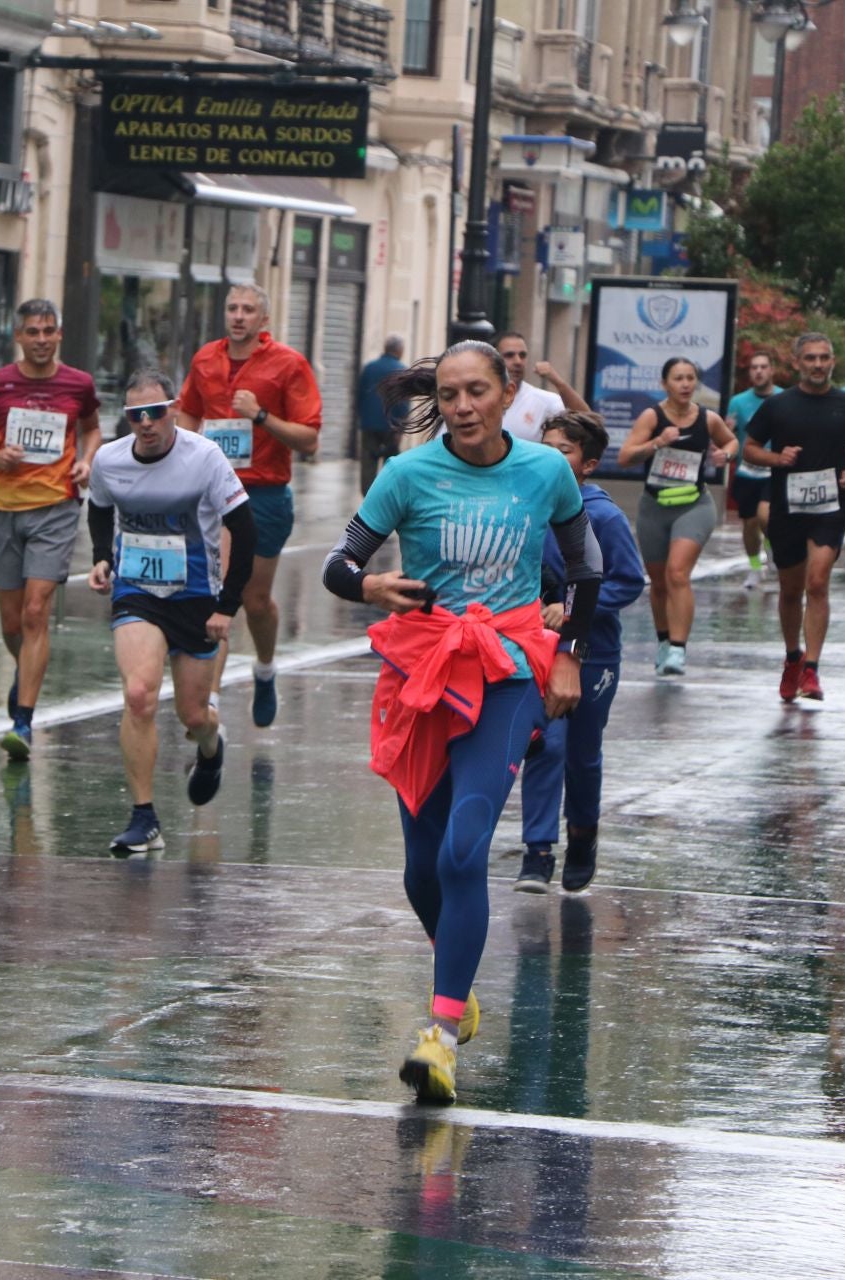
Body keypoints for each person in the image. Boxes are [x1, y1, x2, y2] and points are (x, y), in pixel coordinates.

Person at [322, 340, 601, 1105]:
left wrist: (568, 653)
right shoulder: (408, 474)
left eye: (477, 391)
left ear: (509, 391)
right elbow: (338, 564)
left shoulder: (546, 470)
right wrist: (373, 587)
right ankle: (459, 979)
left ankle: (440, 1037)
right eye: (449, 395)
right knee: (421, 869)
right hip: (422, 673)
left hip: (508, 670)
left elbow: (586, 567)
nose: (464, 407)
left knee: (464, 848)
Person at [85, 369, 256, 855]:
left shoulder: (204, 458)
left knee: (193, 714)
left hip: (196, 597)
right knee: (138, 694)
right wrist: (101, 556)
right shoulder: (109, 460)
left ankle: (210, 746)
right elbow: (99, 507)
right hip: (137, 591)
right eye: (135, 415)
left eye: (155, 412)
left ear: (174, 410)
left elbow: (245, 532)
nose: (145, 423)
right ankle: (144, 818)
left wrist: (228, 606)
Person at [0, 300, 102, 760]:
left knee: (38, 611)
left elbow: (93, 429)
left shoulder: (79, 384)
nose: (41, 339)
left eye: (49, 331)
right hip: (4, 508)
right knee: (14, 621)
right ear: (18, 336)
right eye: (32, 331)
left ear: (59, 335)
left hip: (56, 508)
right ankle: (26, 673)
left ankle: (23, 721)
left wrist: (86, 460)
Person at [177, 283, 321, 729]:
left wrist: (260, 416)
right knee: (221, 596)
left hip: (264, 493)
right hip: (212, 491)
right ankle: (211, 703)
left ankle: (264, 669)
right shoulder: (205, 359)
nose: (238, 316)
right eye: (232, 308)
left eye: (248, 310)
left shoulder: (288, 365)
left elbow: (310, 440)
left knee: (255, 599)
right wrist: (185, 448)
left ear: (264, 319)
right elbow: (186, 412)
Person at [515, 412, 646, 894]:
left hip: (595, 652)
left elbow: (628, 581)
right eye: (544, 445)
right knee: (544, 743)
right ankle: (537, 852)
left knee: (582, 754)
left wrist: (571, 612)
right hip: (538, 647)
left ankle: (582, 834)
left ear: (588, 464)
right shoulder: (526, 504)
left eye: (563, 450)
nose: (551, 456)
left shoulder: (603, 515)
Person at [741, 331, 845, 702]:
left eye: (824, 357)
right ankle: (793, 657)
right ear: (796, 363)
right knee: (791, 589)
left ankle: (813, 671)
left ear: (832, 360)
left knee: (817, 582)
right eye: (810, 358)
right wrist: (777, 459)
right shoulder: (778, 406)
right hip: (787, 506)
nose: (818, 364)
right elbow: (749, 450)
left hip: (831, 506)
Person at [615, 357, 737, 677]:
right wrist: (657, 442)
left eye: (690, 378)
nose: (685, 384)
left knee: (678, 573)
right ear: (664, 384)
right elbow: (625, 457)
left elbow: (731, 441)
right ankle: (665, 642)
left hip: (694, 505)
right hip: (654, 507)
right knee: (658, 582)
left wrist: (727, 454)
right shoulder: (651, 416)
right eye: (678, 378)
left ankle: (679, 650)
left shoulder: (707, 419)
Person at [727, 351, 780, 590]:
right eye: (753, 367)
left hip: (775, 471)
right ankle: (755, 568)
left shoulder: (783, 398)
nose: (758, 371)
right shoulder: (738, 402)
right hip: (747, 472)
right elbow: (728, 435)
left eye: (763, 366)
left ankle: (771, 550)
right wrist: (724, 446)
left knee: (766, 517)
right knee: (750, 524)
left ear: (771, 370)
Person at [493, 333, 568, 441]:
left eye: (522, 355)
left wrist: (559, 383)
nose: (518, 361)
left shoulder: (546, 402)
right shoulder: (478, 399)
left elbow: (587, 423)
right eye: (509, 355)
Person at [356, 335, 406, 495]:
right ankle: (385, 496)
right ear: (400, 351)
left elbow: (359, 395)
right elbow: (403, 403)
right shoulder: (402, 370)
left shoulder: (369, 367)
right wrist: (401, 427)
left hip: (369, 423)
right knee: (391, 464)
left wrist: (361, 417)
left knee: (368, 462)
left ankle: (368, 495)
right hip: (391, 425)